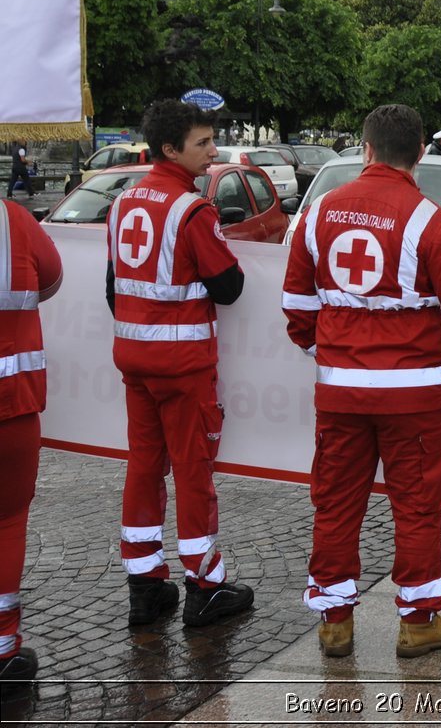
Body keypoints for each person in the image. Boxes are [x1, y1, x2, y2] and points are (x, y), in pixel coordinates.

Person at [282, 104, 441, 659]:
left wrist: (331, 356)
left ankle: (335, 622)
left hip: (340, 393)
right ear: (420, 155)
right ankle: (419, 622)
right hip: (413, 396)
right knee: (417, 505)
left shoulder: (317, 213)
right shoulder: (431, 221)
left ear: (364, 150)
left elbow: (297, 309)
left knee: (335, 502)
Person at [107, 100, 253, 629]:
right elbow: (229, 288)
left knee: (144, 466)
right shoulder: (191, 210)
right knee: (193, 471)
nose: (214, 153)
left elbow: (112, 289)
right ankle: (205, 585)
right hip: (183, 362)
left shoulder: (123, 202)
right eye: (203, 144)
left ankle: (145, 586)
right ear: (171, 149)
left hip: (134, 358)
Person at [0, 196, 62, 694]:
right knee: (6, 522)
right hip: (9, 403)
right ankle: (2, 648)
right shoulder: (13, 219)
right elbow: (51, 278)